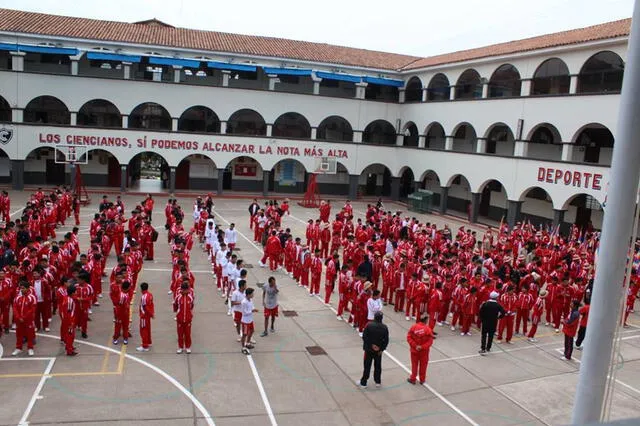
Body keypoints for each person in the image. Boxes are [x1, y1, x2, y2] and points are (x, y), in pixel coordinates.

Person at [359, 311, 389, 388]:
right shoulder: (384, 327)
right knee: (378, 366)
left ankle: (364, 382)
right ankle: (377, 381)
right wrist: (381, 349)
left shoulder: (369, 325)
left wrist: (372, 345)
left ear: (374, 317)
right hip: (378, 351)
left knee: (367, 366)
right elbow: (386, 340)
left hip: (369, 350)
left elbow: (365, 337)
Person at [406, 314, 434, 385]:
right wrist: (422, 347)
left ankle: (413, 379)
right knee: (423, 366)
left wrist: (415, 346)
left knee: (414, 365)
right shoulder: (428, 330)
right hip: (424, 352)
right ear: (426, 320)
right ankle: (422, 379)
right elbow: (430, 342)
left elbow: (409, 338)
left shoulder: (413, 327)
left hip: (414, 351)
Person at [12, 281, 37, 356]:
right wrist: (18, 317)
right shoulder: (17, 297)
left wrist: (24, 317)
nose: (21, 290)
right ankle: (18, 348)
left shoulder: (32, 298)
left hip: (28, 320)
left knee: (29, 334)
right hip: (19, 320)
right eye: (21, 288)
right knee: (19, 334)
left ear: (28, 288)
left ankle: (30, 348)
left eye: (23, 288)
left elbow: (32, 309)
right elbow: (14, 308)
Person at [174, 282, 195, 354]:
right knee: (180, 334)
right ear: (182, 289)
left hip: (188, 319)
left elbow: (191, 306)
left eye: (187, 289)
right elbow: (175, 306)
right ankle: (180, 347)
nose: (187, 291)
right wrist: (178, 314)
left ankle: (188, 347)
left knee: (187, 334)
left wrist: (189, 315)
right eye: (185, 290)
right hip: (180, 319)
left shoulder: (190, 297)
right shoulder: (178, 297)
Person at [60, 284, 78, 356]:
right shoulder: (69, 301)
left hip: (66, 320)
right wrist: (71, 323)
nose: (76, 293)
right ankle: (69, 350)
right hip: (69, 320)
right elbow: (68, 312)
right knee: (70, 335)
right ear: (73, 293)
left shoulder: (66, 298)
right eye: (75, 292)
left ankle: (69, 347)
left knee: (69, 335)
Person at [136, 282, 155, 352]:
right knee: (147, 329)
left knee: (143, 330)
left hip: (144, 316)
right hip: (147, 316)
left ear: (141, 289)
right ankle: (148, 342)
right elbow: (151, 305)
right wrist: (152, 313)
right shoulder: (150, 295)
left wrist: (150, 314)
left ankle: (145, 346)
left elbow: (146, 307)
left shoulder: (144, 297)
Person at [241, 287, 259, 354]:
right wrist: (252, 311)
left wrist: (254, 309)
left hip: (250, 320)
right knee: (244, 334)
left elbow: (252, 307)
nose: (253, 295)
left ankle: (248, 343)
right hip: (245, 321)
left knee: (252, 331)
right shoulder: (244, 302)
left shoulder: (250, 300)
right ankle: (243, 347)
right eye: (252, 293)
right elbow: (244, 313)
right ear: (248, 294)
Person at [112, 281, 131, 345]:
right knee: (118, 327)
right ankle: (115, 338)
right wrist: (117, 315)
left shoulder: (126, 294)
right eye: (129, 287)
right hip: (120, 314)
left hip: (126, 314)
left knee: (125, 327)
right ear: (127, 288)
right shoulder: (122, 296)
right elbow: (118, 306)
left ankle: (125, 338)